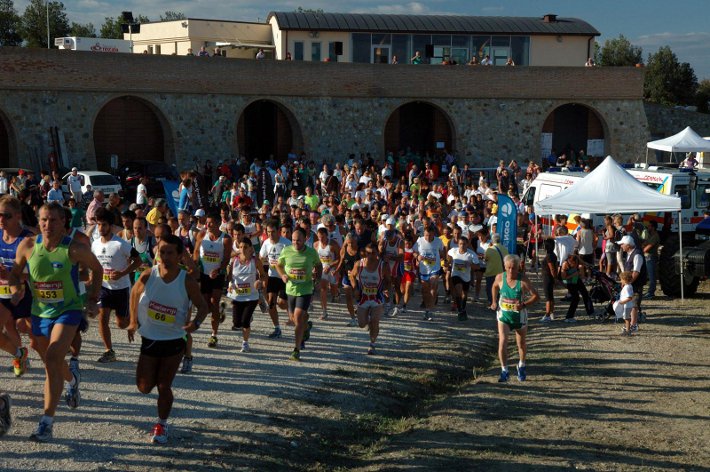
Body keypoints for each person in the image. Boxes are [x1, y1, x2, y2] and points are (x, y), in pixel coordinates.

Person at [9, 202, 103, 442]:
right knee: (50, 359)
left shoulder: (75, 249)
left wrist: (93, 298)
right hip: (39, 312)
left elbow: (97, 269)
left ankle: (46, 423)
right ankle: (72, 381)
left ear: (63, 223)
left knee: (52, 359)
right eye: (43, 220)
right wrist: (16, 288)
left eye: (53, 220)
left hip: (68, 310)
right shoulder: (28, 245)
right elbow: (15, 272)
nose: (47, 225)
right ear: (38, 222)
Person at [128, 234, 209, 444]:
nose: (165, 256)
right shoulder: (148, 275)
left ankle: (162, 424)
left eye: (170, 253)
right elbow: (134, 294)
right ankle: (158, 388)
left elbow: (203, 306)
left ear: (180, 256)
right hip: (150, 338)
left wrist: (196, 324)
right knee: (144, 387)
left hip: (174, 339)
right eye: (162, 251)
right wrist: (132, 321)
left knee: (164, 385)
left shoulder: (187, 280)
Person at [91, 208, 141, 363]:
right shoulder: (95, 245)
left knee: (122, 323)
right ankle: (109, 351)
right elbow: (94, 266)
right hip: (104, 288)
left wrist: (122, 273)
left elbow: (138, 261)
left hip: (121, 289)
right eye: (99, 225)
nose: (101, 228)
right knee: (102, 318)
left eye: (104, 225)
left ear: (111, 226)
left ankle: (135, 319)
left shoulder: (120, 244)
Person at [0, 196, 35, 377]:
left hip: (23, 291)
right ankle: (19, 354)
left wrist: (13, 274)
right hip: (2, 291)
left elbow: (37, 273)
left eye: (6, 216)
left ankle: (54, 359)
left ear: (17, 216)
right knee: (7, 326)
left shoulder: (28, 239)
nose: (1, 220)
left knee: (28, 328)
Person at [491, 254, 539, 382]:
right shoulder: (500, 277)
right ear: (505, 267)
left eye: (514, 268)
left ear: (519, 268)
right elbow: (494, 287)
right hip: (504, 316)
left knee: (521, 343)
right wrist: (494, 301)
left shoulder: (523, 280)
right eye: (509, 268)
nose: (511, 271)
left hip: (519, 317)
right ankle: (504, 370)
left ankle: (521, 365)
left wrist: (523, 305)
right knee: (503, 341)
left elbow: (536, 296)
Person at [276, 228, 322, 361]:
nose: (296, 243)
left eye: (299, 240)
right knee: (295, 319)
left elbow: (319, 265)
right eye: (294, 240)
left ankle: (296, 349)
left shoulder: (311, 253)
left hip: (305, 289)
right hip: (290, 289)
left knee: (297, 315)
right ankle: (306, 327)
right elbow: (278, 265)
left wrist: (318, 278)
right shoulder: (286, 250)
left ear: (305, 240)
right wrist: (283, 275)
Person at [193, 211, 232, 348]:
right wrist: (195, 266)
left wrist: (219, 270)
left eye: (210, 223)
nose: (207, 225)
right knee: (205, 305)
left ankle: (213, 335)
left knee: (214, 302)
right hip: (204, 274)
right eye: (206, 222)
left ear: (217, 224)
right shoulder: (201, 235)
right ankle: (219, 312)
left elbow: (226, 259)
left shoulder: (226, 239)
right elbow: (196, 253)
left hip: (217, 275)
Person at [350, 242, 391, 355]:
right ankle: (367, 321)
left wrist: (386, 289)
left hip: (377, 298)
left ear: (377, 253)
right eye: (368, 253)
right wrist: (355, 289)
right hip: (363, 298)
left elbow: (388, 280)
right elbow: (352, 276)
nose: (370, 255)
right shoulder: (359, 264)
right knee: (362, 324)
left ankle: (372, 344)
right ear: (364, 253)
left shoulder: (382, 266)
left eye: (373, 253)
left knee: (375, 321)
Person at [227, 237, 267, 353]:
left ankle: (245, 343)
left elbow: (263, 275)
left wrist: (259, 281)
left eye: (245, 247)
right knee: (236, 323)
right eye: (240, 247)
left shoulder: (255, 261)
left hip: (252, 296)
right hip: (237, 295)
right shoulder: (234, 261)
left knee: (245, 322)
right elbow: (229, 275)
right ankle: (248, 316)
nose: (242, 249)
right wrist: (230, 283)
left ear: (251, 249)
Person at [259, 220, 291, 338]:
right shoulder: (266, 243)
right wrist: (260, 272)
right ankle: (277, 328)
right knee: (271, 303)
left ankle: (293, 312)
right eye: (268, 232)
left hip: (285, 277)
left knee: (282, 304)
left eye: (273, 232)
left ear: (278, 231)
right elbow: (261, 258)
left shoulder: (286, 243)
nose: (270, 235)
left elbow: (293, 259)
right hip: (272, 277)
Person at [413, 225, 445, 321]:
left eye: (430, 236)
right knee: (425, 291)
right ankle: (427, 309)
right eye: (426, 235)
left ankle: (430, 310)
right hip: (424, 269)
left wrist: (445, 259)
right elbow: (414, 251)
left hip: (435, 268)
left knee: (433, 285)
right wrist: (417, 257)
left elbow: (442, 251)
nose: (428, 237)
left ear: (433, 235)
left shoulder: (438, 241)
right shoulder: (420, 240)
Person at [618, 235, 647, 334]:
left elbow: (636, 272)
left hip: (636, 284)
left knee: (634, 305)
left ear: (628, 245)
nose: (621, 246)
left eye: (622, 244)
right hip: (631, 284)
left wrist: (628, 283)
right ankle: (631, 324)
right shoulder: (630, 253)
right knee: (631, 305)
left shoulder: (637, 255)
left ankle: (633, 325)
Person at [447, 234, 479, 321]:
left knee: (464, 294)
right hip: (456, 274)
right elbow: (448, 254)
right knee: (458, 289)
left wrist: (470, 264)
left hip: (466, 277)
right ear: (458, 244)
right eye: (460, 244)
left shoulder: (471, 254)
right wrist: (448, 262)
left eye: (464, 244)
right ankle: (460, 310)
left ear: (467, 244)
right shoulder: (454, 251)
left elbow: (477, 266)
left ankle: (463, 307)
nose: (462, 245)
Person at [314, 227, 340, 320]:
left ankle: (336, 294)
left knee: (333, 290)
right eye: (319, 237)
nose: (321, 239)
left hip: (333, 269)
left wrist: (330, 266)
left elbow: (339, 259)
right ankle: (324, 311)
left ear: (327, 235)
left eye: (323, 237)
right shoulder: (316, 245)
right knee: (323, 289)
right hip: (322, 270)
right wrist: (314, 268)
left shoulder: (333, 244)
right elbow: (315, 259)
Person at [559, 254, 594, 322]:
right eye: (574, 264)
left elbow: (583, 263)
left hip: (576, 278)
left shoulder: (576, 258)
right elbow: (564, 279)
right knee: (576, 298)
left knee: (585, 294)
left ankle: (590, 311)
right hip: (569, 282)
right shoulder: (565, 264)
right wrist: (573, 275)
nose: (575, 265)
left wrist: (589, 265)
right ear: (570, 262)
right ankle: (569, 317)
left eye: (576, 264)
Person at [484, 233, 508, 307]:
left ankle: (492, 303)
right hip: (501, 273)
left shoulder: (490, 249)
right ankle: (499, 303)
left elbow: (485, 259)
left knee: (490, 288)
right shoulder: (505, 249)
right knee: (500, 289)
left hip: (491, 272)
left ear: (492, 240)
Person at [539, 239, 558, 322]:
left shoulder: (549, 256)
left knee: (548, 298)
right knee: (551, 296)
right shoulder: (553, 255)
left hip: (547, 278)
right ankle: (551, 313)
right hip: (549, 278)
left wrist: (555, 278)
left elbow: (552, 269)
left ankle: (547, 315)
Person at [614, 271, 637, 336]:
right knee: (626, 317)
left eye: (621, 279)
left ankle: (628, 331)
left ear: (625, 280)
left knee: (626, 318)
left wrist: (622, 302)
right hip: (628, 305)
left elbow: (629, 297)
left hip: (627, 305)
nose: (621, 281)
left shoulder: (627, 287)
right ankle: (627, 329)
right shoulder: (629, 286)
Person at [641, 220, 660, 299]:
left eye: (649, 226)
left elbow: (647, 247)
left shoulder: (655, 236)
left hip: (651, 257)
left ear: (653, 227)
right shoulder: (650, 235)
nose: (647, 227)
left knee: (652, 276)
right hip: (647, 257)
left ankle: (651, 293)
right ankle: (649, 292)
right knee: (648, 275)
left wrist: (639, 251)